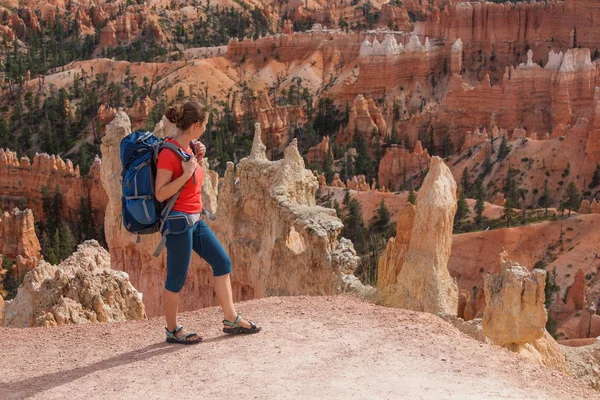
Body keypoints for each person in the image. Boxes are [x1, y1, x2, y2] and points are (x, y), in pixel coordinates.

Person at [155, 100, 261, 344]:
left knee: (222, 262)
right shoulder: (168, 154)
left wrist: (196, 159)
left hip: (195, 219)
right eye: (204, 125)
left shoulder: (188, 148)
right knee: (176, 277)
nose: (206, 129)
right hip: (179, 223)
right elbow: (160, 193)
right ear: (195, 125)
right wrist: (186, 173)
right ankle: (172, 329)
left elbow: (190, 182)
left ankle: (231, 318)